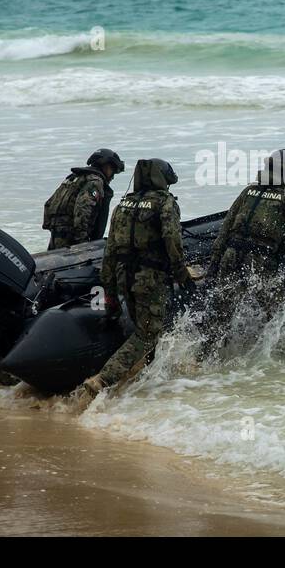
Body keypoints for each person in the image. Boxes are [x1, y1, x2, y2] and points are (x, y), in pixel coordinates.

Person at [71, 158, 194, 403]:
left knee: (145, 329)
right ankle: (102, 380)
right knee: (148, 333)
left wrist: (109, 290)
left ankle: (146, 381)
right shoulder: (165, 203)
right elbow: (173, 242)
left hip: (123, 275)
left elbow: (110, 249)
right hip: (149, 278)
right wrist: (183, 276)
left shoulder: (123, 204)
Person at [200, 149, 285, 358]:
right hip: (259, 261)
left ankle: (203, 359)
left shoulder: (250, 191)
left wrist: (215, 262)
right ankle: (279, 358)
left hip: (231, 255)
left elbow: (226, 227)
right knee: (275, 313)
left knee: (221, 313)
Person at [42, 148, 125, 250]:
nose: (112, 176)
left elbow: (49, 204)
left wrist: (54, 229)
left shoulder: (73, 178)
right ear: (107, 166)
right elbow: (82, 209)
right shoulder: (95, 181)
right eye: (113, 170)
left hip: (56, 235)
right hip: (71, 239)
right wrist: (82, 241)